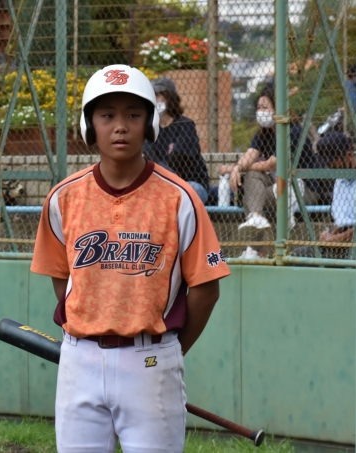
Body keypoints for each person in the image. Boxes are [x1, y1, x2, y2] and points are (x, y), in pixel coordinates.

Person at [30, 65, 230, 452]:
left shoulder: (179, 198)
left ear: (149, 123)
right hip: (79, 359)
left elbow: (207, 290)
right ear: (90, 125)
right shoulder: (63, 198)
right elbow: (64, 281)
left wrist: (170, 350)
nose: (120, 127)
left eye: (133, 115)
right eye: (107, 116)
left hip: (151, 359)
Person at [218, 87, 318, 231]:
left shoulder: (293, 131)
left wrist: (231, 168)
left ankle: (257, 233)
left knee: (250, 198)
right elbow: (249, 155)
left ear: (278, 109)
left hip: (302, 189)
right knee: (252, 175)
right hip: (278, 184)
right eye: (258, 108)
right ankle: (256, 218)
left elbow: (270, 165)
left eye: (265, 108)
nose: (260, 112)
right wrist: (238, 168)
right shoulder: (264, 133)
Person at [143, 77, 210, 202]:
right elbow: (149, 155)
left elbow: (177, 157)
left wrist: (162, 173)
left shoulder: (185, 125)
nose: (153, 99)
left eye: (157, 95)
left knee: (188, 190)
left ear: (169, 98)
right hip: (160, 185)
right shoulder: (149, 128)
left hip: (189, 182)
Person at [293, 132, 356, 259]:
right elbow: (343, 220)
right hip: (345, 240)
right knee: (297, 254)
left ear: (349, 155)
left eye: (333, 163)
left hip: (354, 242)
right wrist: (330, 235)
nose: (330, 168)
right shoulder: (340, 180)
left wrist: (338, 239)